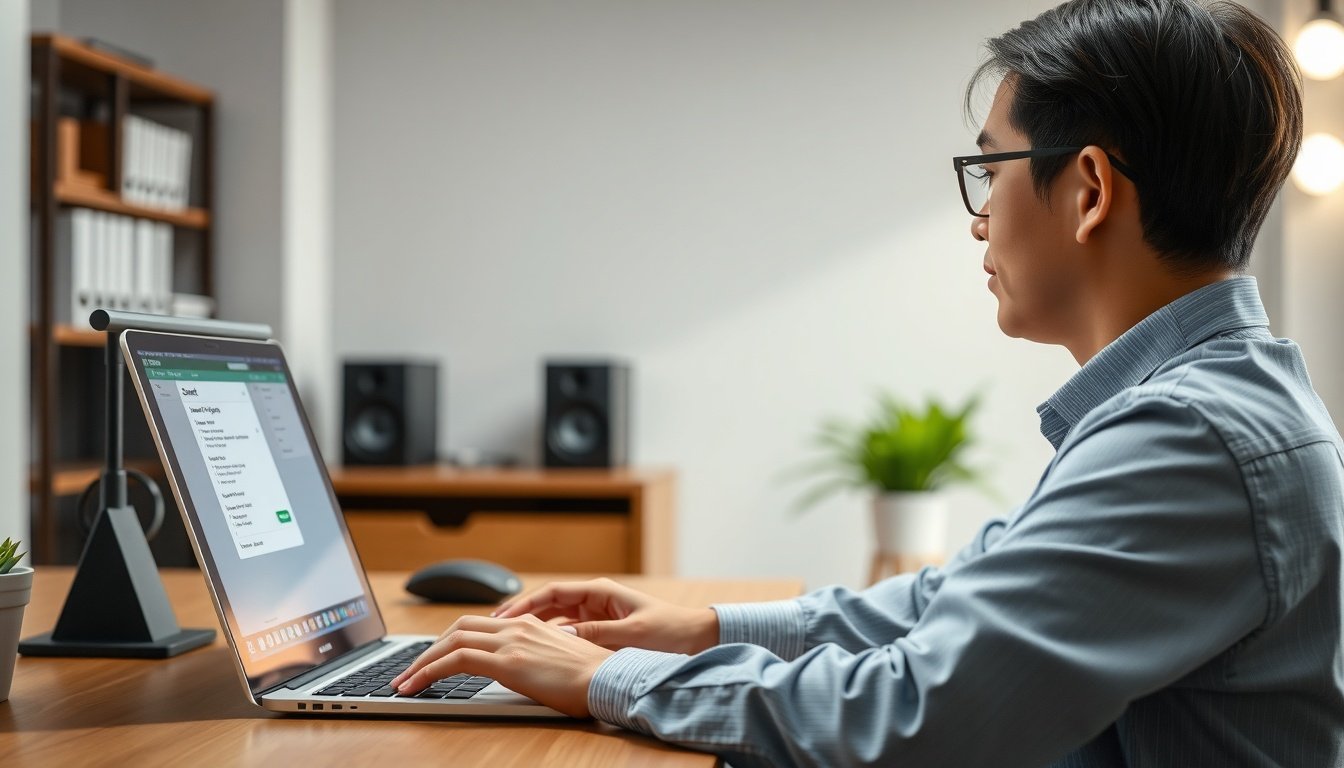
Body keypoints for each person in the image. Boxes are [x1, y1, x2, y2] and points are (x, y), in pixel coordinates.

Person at [392, 0, 1344, 764]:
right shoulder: (1202, 403)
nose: (979, 221)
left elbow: (922, 716)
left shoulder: (1191, 437)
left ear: (1089, 190)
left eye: (990, 168)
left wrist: (612, 678)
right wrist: (701, 626)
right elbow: (961, 604)